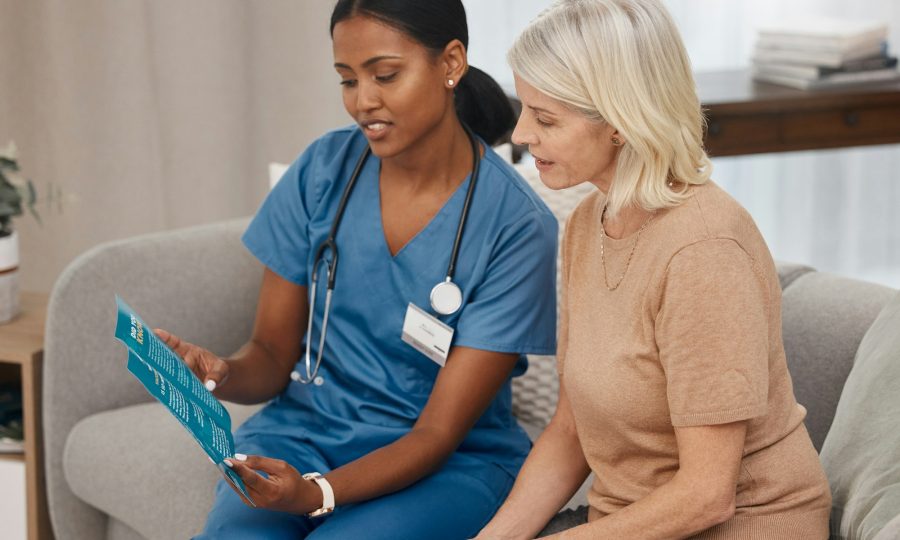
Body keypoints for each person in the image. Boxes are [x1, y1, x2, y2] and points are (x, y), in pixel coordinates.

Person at [153, 1, 559, 538]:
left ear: (450, 63)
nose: (363, 101)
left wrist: (317, 492)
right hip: (305, 434)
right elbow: (273, 357)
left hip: (448, 463)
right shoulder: (324, 170)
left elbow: (435, 434)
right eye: (348, 80)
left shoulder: (515, 225)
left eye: (385, 75)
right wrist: (219, 373)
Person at [477, 1, 832, 538]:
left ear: (620, 123)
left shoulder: (703, 251)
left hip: (741, 525)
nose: (521, 134)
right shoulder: (585, 223)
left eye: (545, 117)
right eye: (524, 109)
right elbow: (570, 432)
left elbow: (706, 498)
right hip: (629, 521)